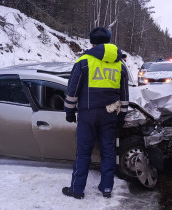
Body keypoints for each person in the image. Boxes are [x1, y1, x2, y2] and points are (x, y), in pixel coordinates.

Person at [62, 27, 129, 199]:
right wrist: (121, 115)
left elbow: (73, 90)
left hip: (88, 114)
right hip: (110, 114)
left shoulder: (84, 61)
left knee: (84, 152)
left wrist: (69, 112)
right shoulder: (120, 64)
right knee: (108, 151)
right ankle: (106, 188)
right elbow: (124, 95)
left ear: (92, 42)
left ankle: (77, 190)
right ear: (108, 41)